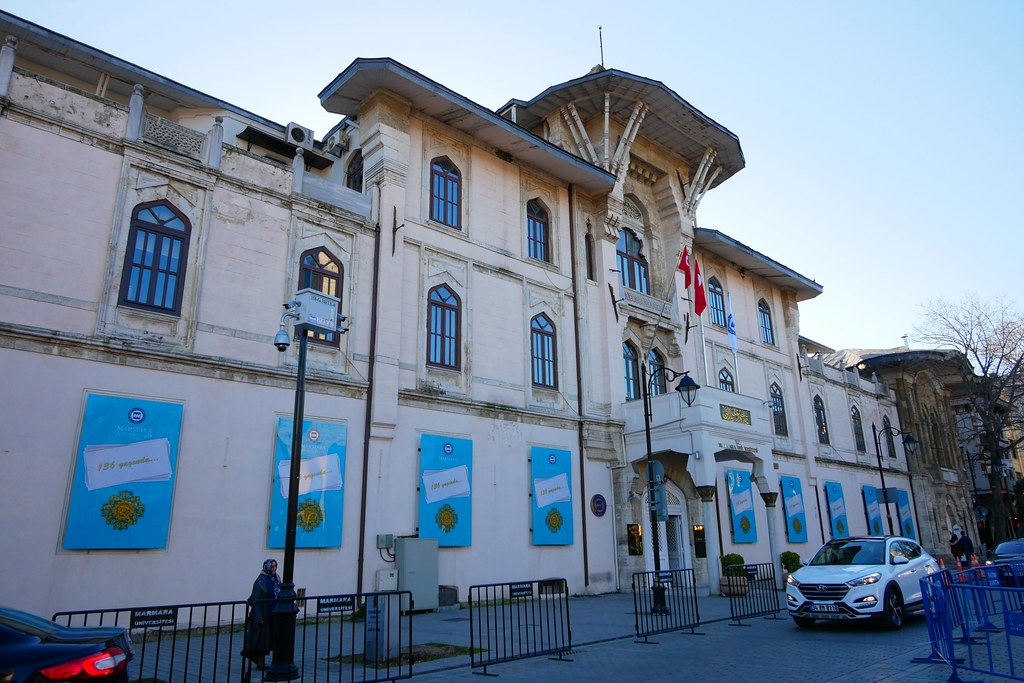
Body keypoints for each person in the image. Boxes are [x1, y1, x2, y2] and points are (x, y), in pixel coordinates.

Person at [241, 559, 280, 670]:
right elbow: (255, 599)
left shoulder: (276, 578)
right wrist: (259, 617)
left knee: (269, 639)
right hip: (263, 615)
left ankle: (267, 662)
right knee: (261, 640)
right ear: (267, 567)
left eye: (275, 566)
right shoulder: (260, 580)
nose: (274, 568)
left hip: (273, 614)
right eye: (272, 566)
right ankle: (260, 662)